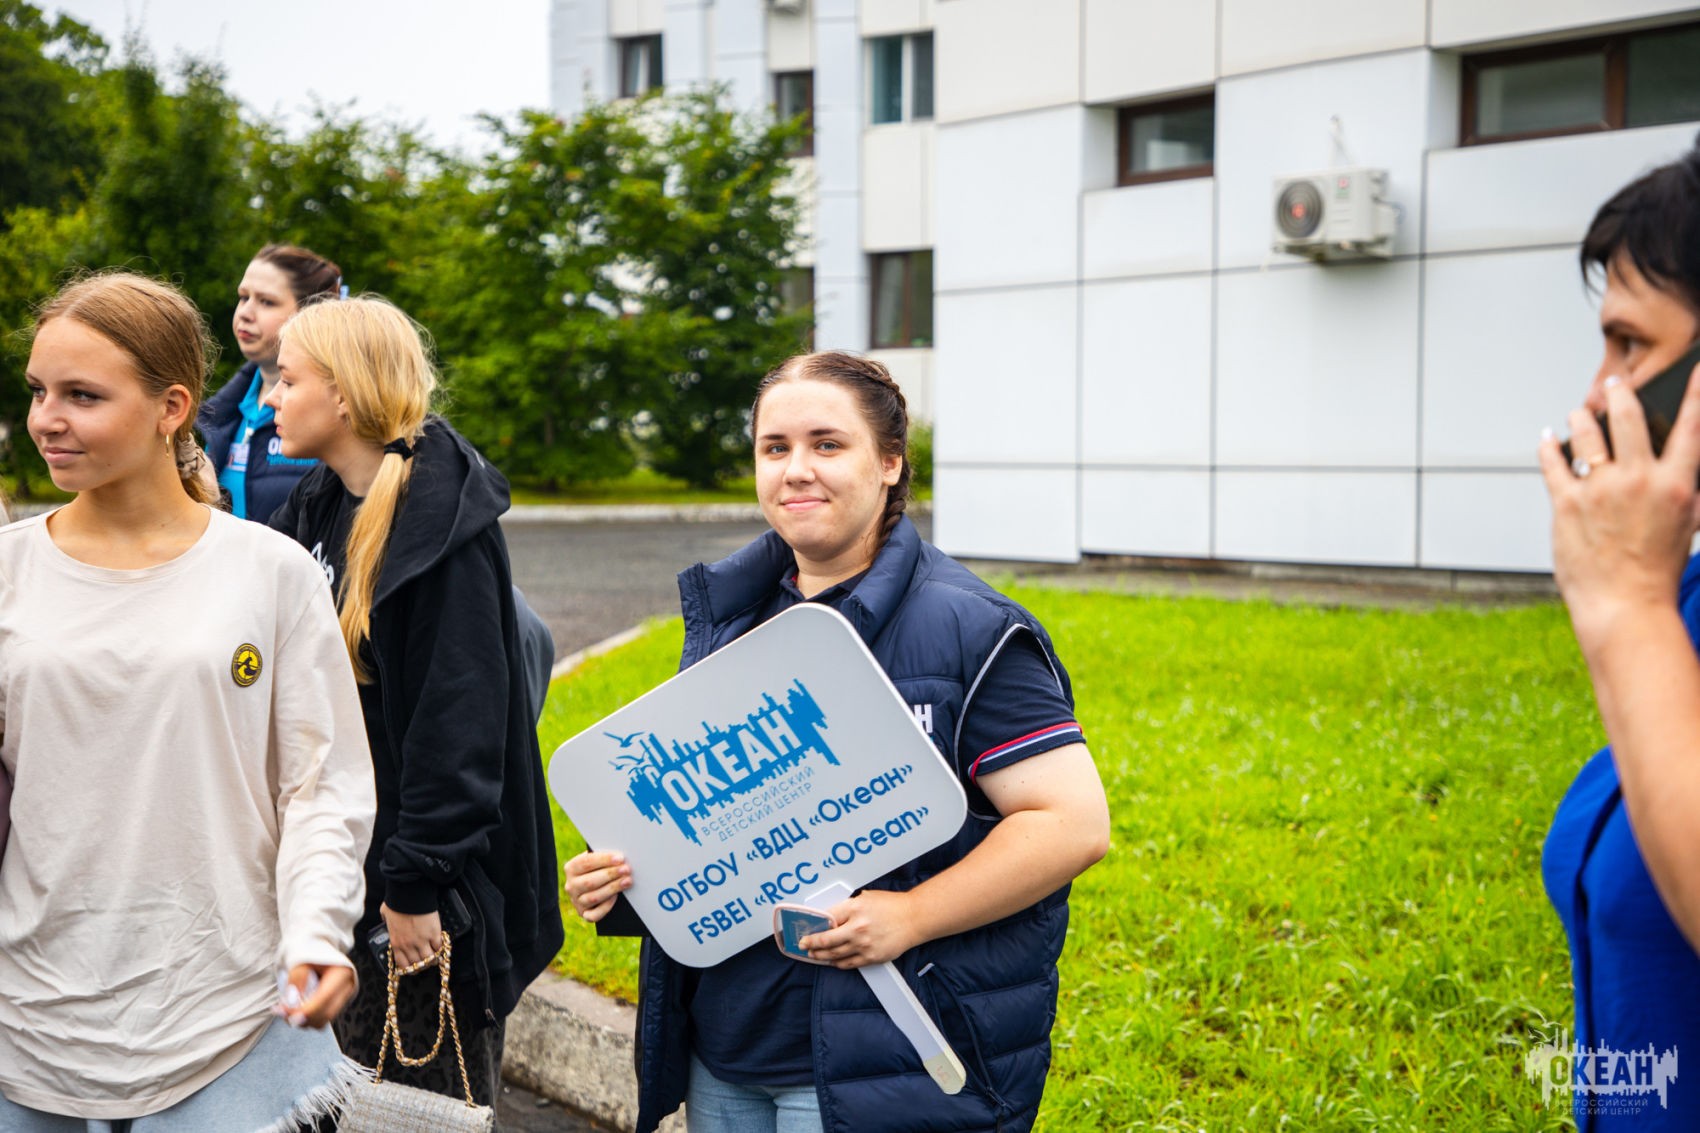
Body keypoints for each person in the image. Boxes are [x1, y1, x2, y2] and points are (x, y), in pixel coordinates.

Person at [564, 351, 1111, 1133]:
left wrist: (913, 914)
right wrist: (625, 885)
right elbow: (733, 824)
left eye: (827, 443)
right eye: (774, 447)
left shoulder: (972, 627)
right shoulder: (734, 618)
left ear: (890, 462)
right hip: (726, 1052)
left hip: (887, 1059)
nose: (796, 469)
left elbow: (1071, 824)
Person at [0, 272, 376, 1128]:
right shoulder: (8, 572)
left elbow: (321, 786)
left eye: (82, 395)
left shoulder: (269, 572)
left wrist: (318, 931)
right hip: (28, 1016)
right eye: (38, 391)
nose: (47, 419)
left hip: (227, 1008)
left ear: (172, 407)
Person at [263, 295, 565, 1111]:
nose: (270, 399)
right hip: (353, 869)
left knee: (411, 1111)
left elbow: (456, 729)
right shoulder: (323, 500)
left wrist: (414, 887)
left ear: (343, 394)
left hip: (422, 900)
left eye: (287, 380)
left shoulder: (438, 528)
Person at [1538, 134, 1700, 1131]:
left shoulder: (1650, 602)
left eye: (1631, 344)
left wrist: (1626, 606)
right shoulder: (1681, 595)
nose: (1602, 390)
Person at [199, 243, 342, 522]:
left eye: (266, 302)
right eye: (243, 297)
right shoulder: (219, 413)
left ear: (310, 314)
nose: (245, 312)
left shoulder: (334, 414)